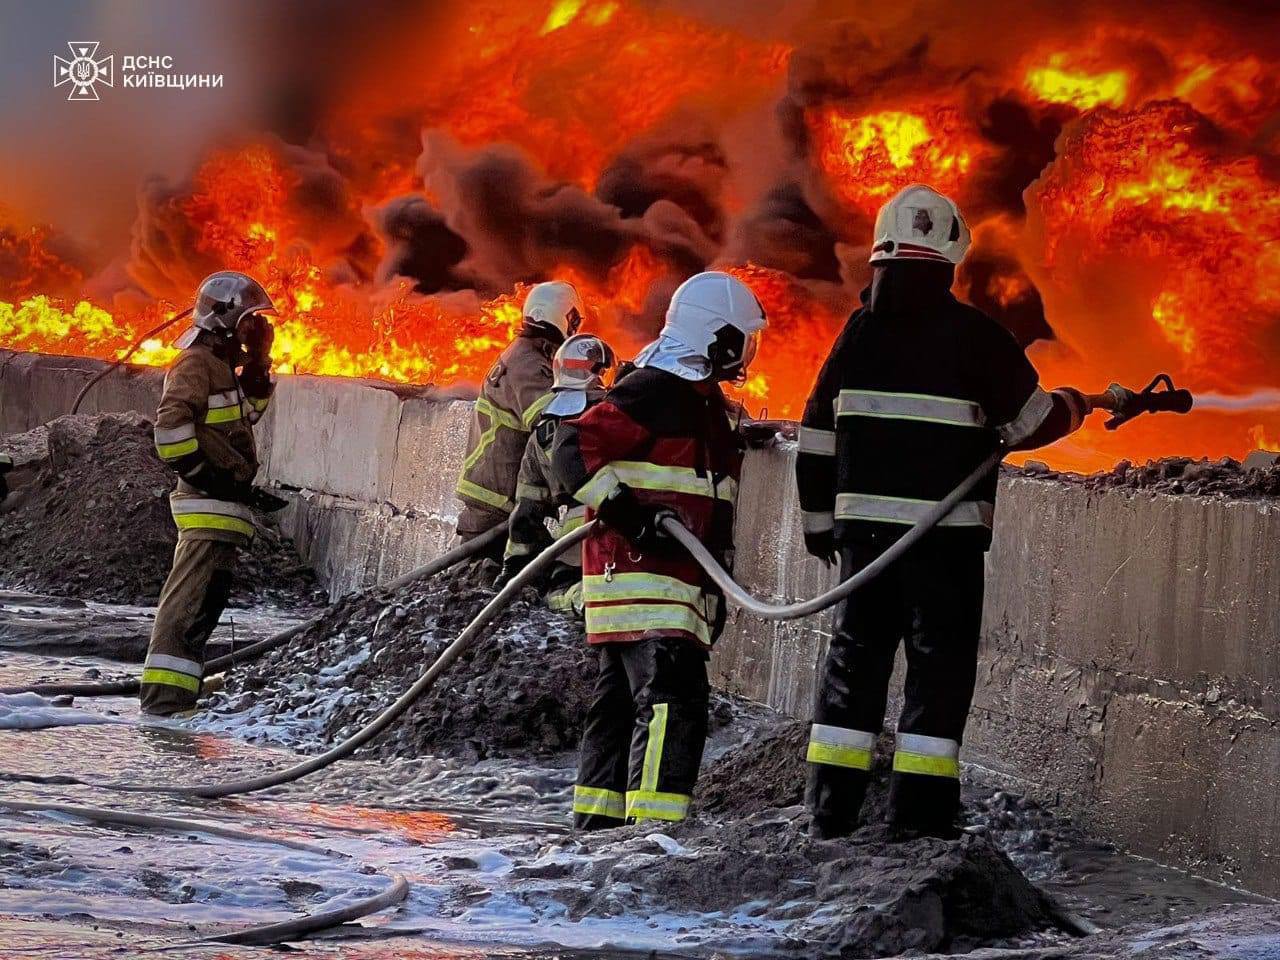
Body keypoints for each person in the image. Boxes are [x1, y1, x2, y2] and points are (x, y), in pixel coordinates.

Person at [796, 184, 1127, 839]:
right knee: (938, 673)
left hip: (864, 544)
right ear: (950, 260)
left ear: (879, 259)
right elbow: (1030, 422)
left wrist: (817, 528)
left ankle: (830, 811)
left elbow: (814, 435)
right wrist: (1074, 404)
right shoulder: (975, 338)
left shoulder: (855, 337)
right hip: (944, 547)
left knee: (852, 667)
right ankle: (919, 819)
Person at [553, 270, 766, 828]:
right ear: (715, 336)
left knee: (619, 706)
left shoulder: (694, 399)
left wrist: (743, 438)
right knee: (673, 702)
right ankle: (653, 835)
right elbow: (572, 448)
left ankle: (597, 827)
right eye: (742, 340)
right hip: (648, 578)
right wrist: (631, 517)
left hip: (659, 582)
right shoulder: (652, 390)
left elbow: (687, 465)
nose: (746, 354)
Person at [140, 271, 285, 717]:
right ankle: (164, 705)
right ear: (222, 319)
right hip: (206, 506)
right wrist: (207, 475)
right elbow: (169, 430)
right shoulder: (194, 364)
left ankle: (181, 697)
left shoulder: (221, 367)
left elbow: (246, 420)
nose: (251, 330)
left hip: (221, 511)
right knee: (185, 612)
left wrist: (259, 363)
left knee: (200, 613)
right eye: (246, 322)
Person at [455, 281, 584, 560]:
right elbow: (552, 423)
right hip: (496, 512)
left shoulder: (523, 353)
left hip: (493, 506)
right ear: (563, 318)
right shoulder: (529, 365)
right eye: (574, 322)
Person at [494, 333, 616, 612]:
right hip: (624, 547)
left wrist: (514, 567)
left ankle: (577, 598)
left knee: (555, 590)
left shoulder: (542, 433)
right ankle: (583, 599)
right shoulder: (616, 418)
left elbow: (526, 510)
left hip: (572, 555)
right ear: (602, 373)